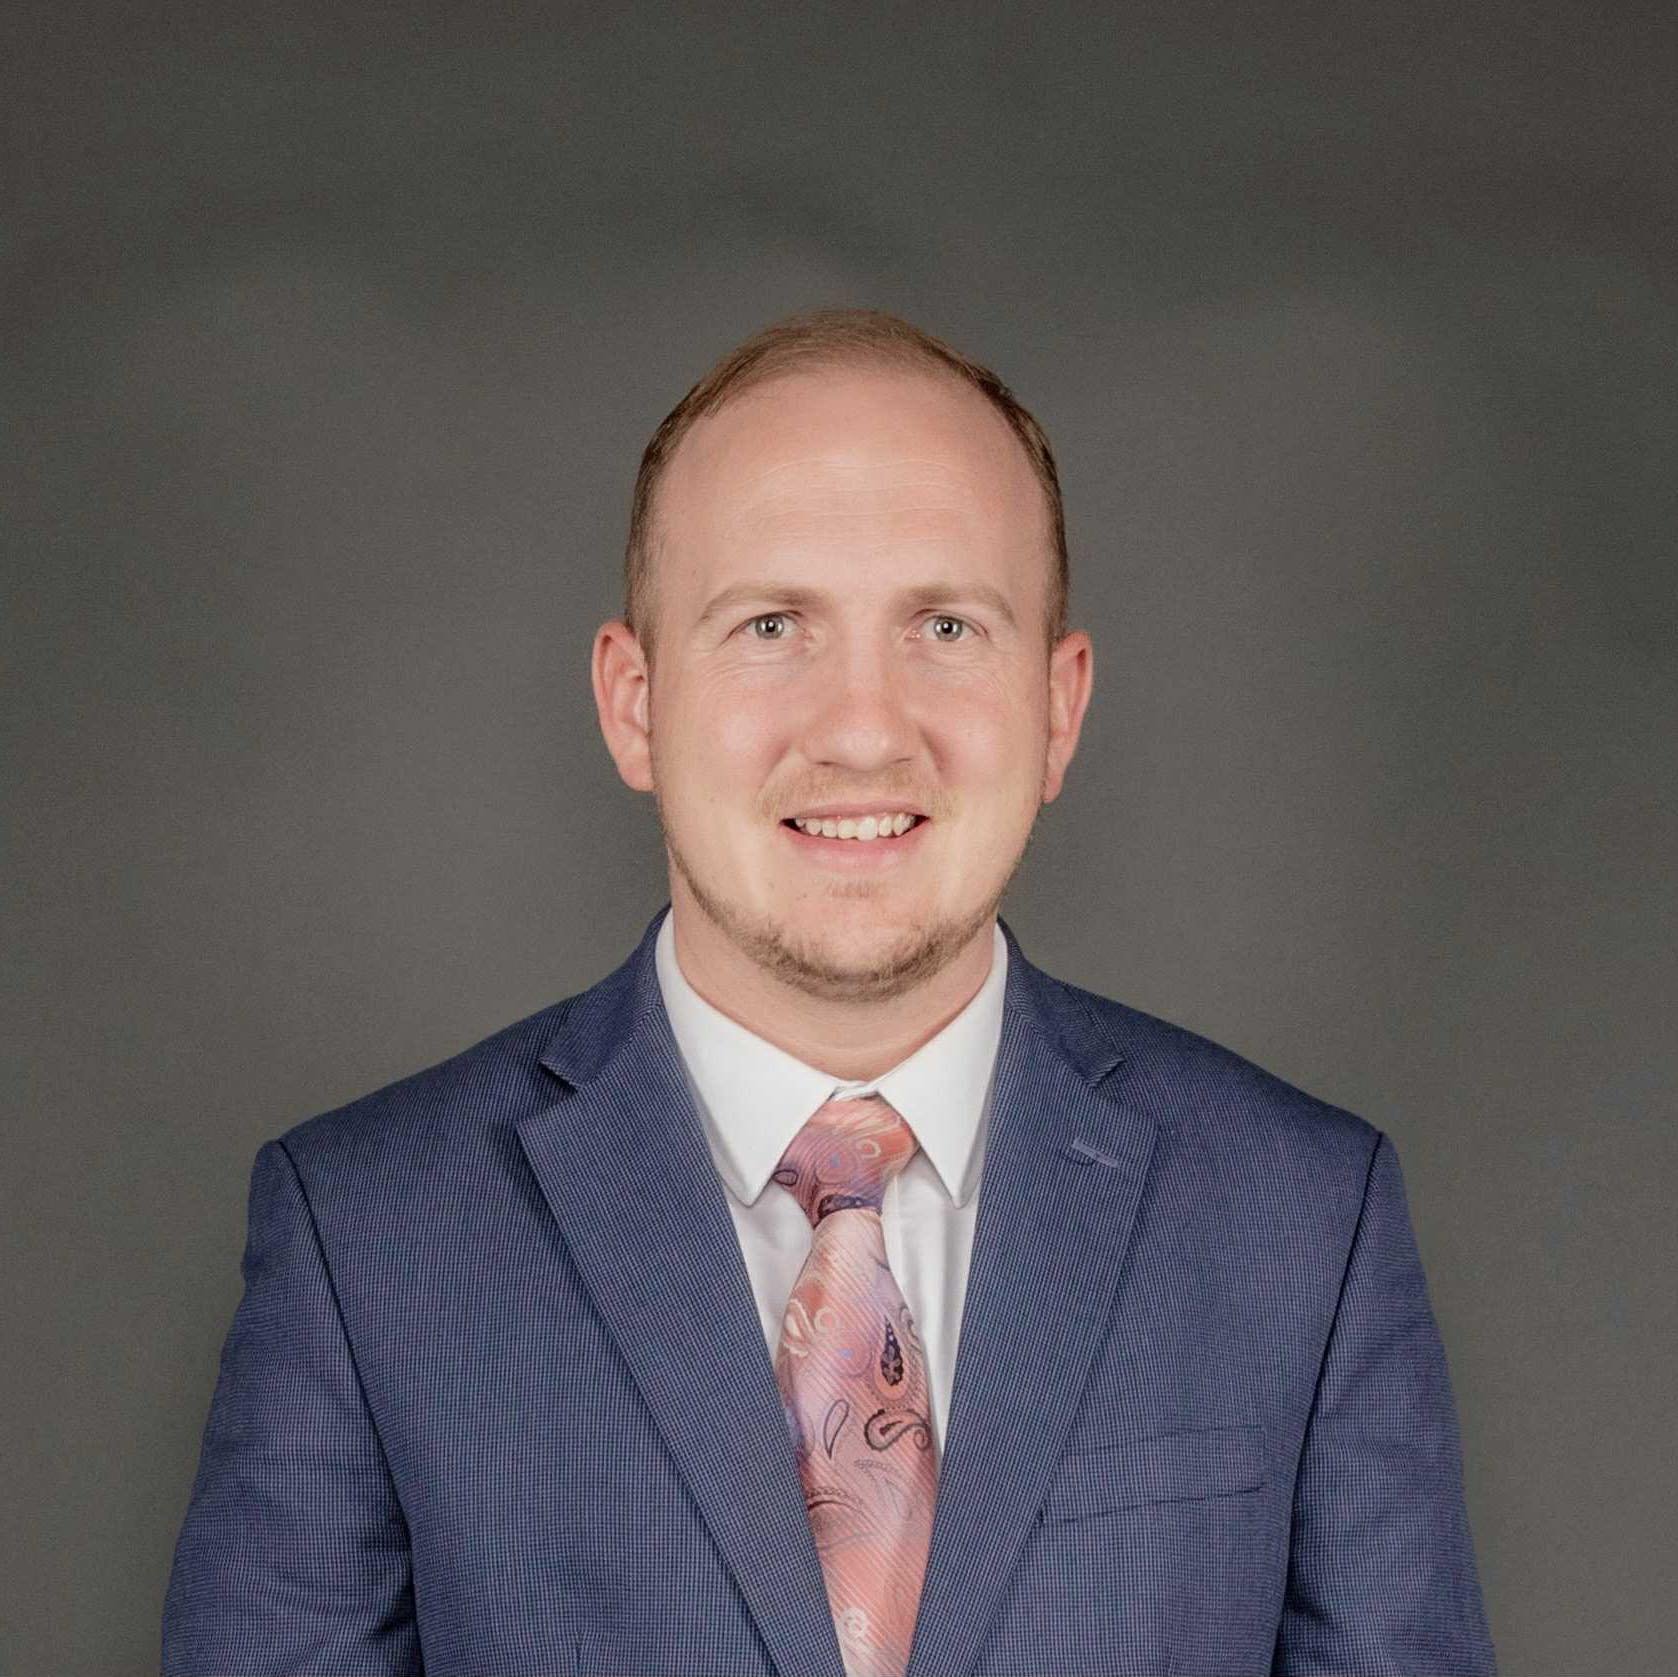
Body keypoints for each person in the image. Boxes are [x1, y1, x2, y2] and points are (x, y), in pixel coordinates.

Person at [162, 308, 1496, 1677]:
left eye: (945, 624)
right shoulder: (365, 1235)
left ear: (1059, 707)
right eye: (771, 624)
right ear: (633, 702)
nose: (863, 729)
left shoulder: (1304, 1218)